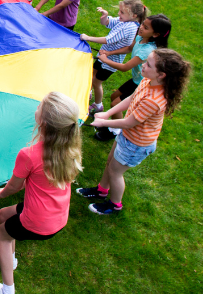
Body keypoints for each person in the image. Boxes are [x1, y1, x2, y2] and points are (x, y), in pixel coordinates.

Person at [0, 92, 82, 294]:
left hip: (37, 219)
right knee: (3, 216)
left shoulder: (29, 154)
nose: (35, 108)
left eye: (39, 106)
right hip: (56, 214)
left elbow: (14, 186)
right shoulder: (69, 149)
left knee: (3, 232)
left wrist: (1, 194)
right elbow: (39, 180)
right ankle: (9, 257)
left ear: (43, 122)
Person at [77, 49, 191, 215]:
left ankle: (114, 205)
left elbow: (129, 122)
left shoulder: (154, 100)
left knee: (115, 172)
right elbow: (131, 99)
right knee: (110, 162)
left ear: (162, 75)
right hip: (128, 136)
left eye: (148, 65)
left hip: (136, 143)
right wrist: (108, 113)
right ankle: (102, 190)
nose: (143, 65)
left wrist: (104, 122)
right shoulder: (147, 80)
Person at [94, 14, 172, 141]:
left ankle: (114, 131)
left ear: (156, 34)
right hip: (137, 79)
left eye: (146, 28)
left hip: (143, 83)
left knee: (115, 103)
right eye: (143, 24)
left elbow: (125, 67)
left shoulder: (147, 51)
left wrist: (105, 59)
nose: (141, 28)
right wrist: (109, 53)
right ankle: (113, 125)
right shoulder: (141, 37)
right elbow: (129, 48)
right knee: (114, 97)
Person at [80, 0, 146, 115]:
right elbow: (107, 22)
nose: (119, 14)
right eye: (120, 11)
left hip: (110, 63)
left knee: (96, 82)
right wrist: (105, 16)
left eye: (122, 12)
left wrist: (88, 38)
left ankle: (98, 105)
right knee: (91, 74)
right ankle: (86, 93)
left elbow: (108, 40)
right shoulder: (124, 21)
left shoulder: (129, 27)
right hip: (103, 56)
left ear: (134, 15)